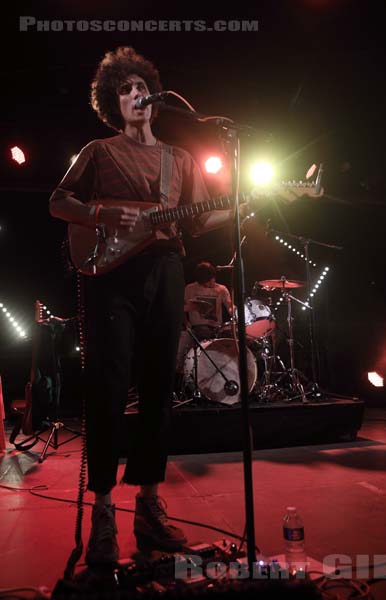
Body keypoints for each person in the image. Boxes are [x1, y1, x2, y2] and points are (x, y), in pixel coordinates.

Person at [49, 46, 231, 564]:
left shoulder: (180, 160)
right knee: (108, 385)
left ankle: (149, 507)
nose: (136, 95)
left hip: (166, 270)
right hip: (112, 276)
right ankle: (104, 508)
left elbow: (198, 220)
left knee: (159, 387)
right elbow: (58, 201)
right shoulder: (99, 151)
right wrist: (104, 213)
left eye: (141, 87)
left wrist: (244, 205)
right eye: (125, 89)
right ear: (113, 101)